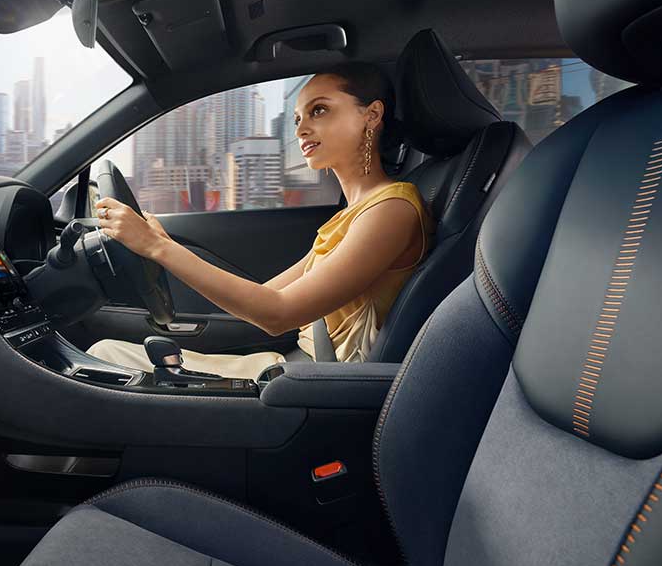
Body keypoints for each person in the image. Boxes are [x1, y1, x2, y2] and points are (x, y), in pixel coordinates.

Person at [87, 63, 433, 380]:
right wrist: (165, 245)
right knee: (107, 355)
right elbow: (268, 295)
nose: (302, 129)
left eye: (319, 110)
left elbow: (278, 314)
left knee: (106, 362)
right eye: (297, 118)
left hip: (320, 386)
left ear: (372, 115)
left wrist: (156, 247)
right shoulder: (351, 214)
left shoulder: (392, 209)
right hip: (293, 369)